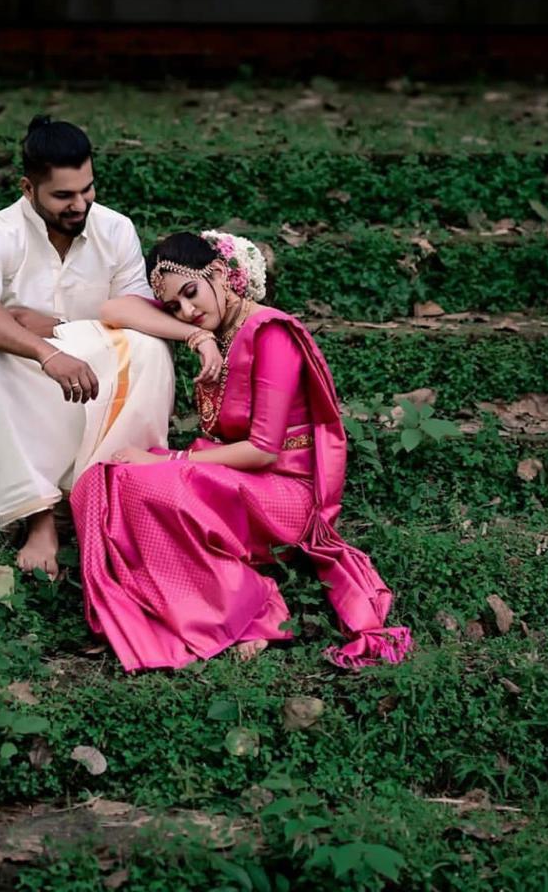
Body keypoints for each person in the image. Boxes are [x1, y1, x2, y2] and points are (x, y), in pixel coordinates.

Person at [70, 231, 412, 671]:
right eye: (174, 306)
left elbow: (263, 453)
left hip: (284, 495)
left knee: (150, 480)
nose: (188, 311)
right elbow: (113, 310)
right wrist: (196, 337)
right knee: (104, 478)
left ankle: (255, 609)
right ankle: (162, 612)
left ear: (219, 272)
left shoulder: (270, 333)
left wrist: (169, 461)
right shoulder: (214, 329)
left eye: (191, 294)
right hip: (236, 481)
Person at [0, 117, 173, 577]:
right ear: (28, 188)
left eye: (86, 190)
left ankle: (114, 497)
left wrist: (60, 329)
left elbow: (138, 313)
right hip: (18, 386)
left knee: (148, 348)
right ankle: (40, 518)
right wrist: (46, 352)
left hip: (96, 381)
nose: (80, 204)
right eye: (63, 196)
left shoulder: (115, 229)